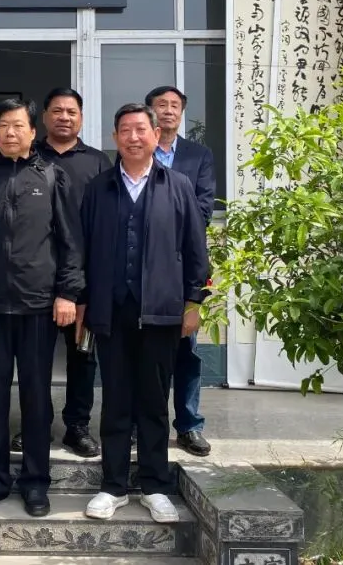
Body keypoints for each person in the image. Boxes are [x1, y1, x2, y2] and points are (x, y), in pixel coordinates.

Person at [79, 104, 208, 524]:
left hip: (162, 312)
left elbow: (196, 250)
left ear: (156, 135)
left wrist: (193, 303)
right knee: (115, 400)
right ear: (114, 138)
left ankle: (155, 485)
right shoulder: (98, 188)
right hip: (112, 311)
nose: (133, 138)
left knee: (153, 402)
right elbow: (82, 249)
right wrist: (81, 301)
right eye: (125, 131)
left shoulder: (178, 186)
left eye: (140, 130)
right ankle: (113, 486)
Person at [0, 99, 84, 519]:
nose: (9, 133)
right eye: (2, 126)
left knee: (36, 397)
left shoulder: (52, 176)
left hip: (38, 306)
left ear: (33, 132)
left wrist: (68, 293)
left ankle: (35, 482)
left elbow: (71, 242)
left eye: (17, 125)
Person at [9, 87, 110, 459]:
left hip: (83, 278)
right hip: (35, 278)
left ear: (81, 117)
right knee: (34, 359)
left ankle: (77, 426)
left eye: (71, 111)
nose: (64, 117)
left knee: (83, 355)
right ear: (44, 118)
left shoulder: (98, 162)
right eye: (57, 111)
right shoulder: (29, 158)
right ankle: (35, 424)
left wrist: (91, 282)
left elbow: (105, 224)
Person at [145, 85, 216, 458]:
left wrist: (163, 226)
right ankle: (144, 423)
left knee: (187, 349)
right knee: (144, 351)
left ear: (182, 112)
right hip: (144, 267)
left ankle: (189, 425)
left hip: (186, 263)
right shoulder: (136, 151)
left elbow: (203, 208)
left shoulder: (198, 155)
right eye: (161, 105)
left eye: (174, 105)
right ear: (150, 111)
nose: (168, 110)